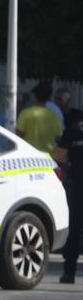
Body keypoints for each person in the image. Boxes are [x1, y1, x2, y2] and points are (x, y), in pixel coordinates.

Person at [55, 108, 83, 284]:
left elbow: (60, 155)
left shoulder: (75, 129)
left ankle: (69, 272)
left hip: (79, 182)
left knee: (75, 228)